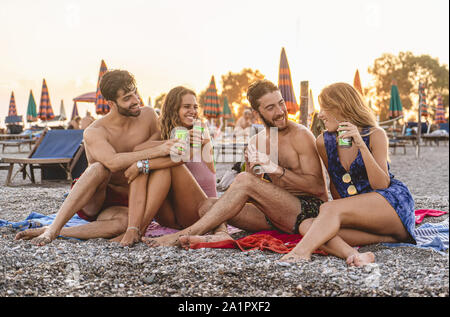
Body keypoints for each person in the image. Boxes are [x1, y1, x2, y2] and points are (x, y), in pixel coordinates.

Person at [141, 79, 328, 248]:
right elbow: (254, 193)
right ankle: (221, 234)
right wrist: (252, 172)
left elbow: (319, 189)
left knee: (243, 180)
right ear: (257, 113)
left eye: (280, 104)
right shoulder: (257, 141)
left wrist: (275, 169)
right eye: (270, 108)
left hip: (306, 210)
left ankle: (185, 234)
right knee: (207, 205)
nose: (280, 112)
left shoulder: (301, 135)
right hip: (274, 215)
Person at [14, 70, 180, 246]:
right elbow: (113, 163)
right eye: (127, 98)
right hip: (95, 197)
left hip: (127, 199)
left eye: (135, 94)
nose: (135, 101)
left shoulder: (147, 116)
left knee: (125, 223)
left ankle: (59, 231)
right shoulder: (95, 131)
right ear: (111, 103)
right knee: (98, 168)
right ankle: (52, 230)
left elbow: (160, 149)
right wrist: (159, 150)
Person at [279, 82, 416, 266]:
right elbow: (335, 187)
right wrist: (340, 214)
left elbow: (381, 185)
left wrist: (360, 144)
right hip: (369, 222)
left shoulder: (375, 134)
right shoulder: (323, 142)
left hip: (391, 206)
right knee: (307, 225)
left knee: (328, 209)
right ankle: (355, 255)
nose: (319, 115)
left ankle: (301, 253)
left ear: (341, 107)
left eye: (324, 108)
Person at [116, 86, 218, 246]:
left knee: (161, 165)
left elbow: (182, 158)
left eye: (195, 107)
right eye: (187, 106)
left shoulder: (199, 128)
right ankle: (133, 228)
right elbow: (138, 149)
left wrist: (142, 164)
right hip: (170, 217)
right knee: (152, 164)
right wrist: (166, 144)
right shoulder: (165, 132)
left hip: (199, 212)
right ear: (173, 108)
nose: (193, 111)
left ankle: (139, 228)